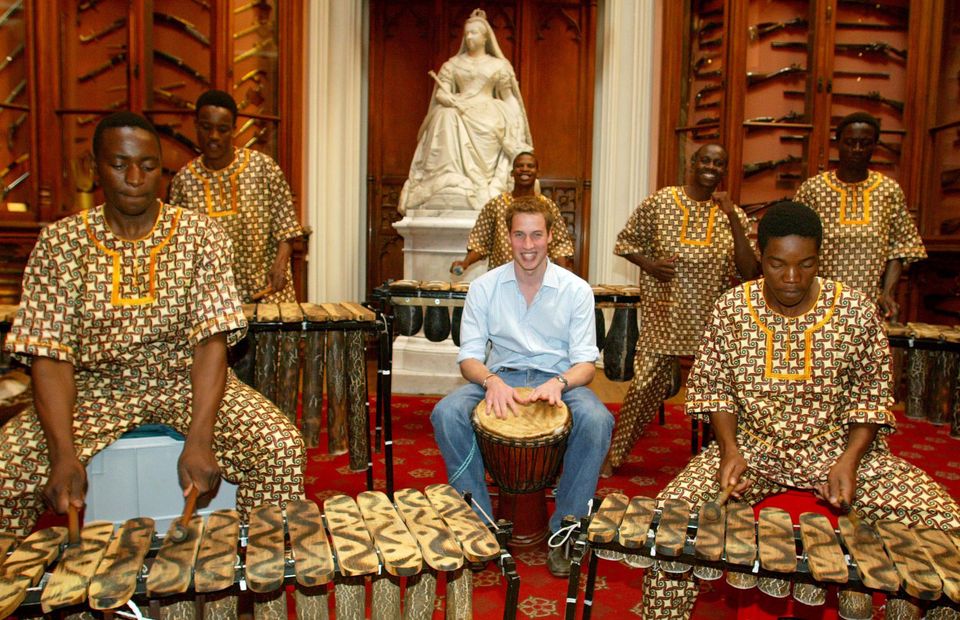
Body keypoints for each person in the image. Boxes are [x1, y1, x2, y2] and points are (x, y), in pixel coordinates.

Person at [640, 201, 959, 618]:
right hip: (752, 451)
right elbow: (716, 391)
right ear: (760, 255)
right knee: (668, 529)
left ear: (819, 257)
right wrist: (730, 451)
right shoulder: (731, 309)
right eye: (776, 264)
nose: (791, 278)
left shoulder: (855, 310)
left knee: (947, 525)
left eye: (805, 264)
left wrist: (849, 459)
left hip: (837, 452)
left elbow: (870, 396)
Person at [0, 112, 305, 540]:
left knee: (280, 448)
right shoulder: (59, 242)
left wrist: (200, 438)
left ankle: (256, 571)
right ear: (95, 168)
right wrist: (62, 453)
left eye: (147, 165)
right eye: (119, 164)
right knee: (5, 469)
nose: (134, 177)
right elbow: (50, 355)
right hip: (92, 390)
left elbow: (211, 342)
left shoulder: (201, 237)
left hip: (185, 383)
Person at [431, 196, 612, 578]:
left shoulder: (575, 289)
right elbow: (469, 358)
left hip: (559, 377)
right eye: (519, 235)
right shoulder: (484, 287)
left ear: (549, 237)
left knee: (597, 420)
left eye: (535, 235)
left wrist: (559, 383)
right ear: (508, 237)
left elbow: (585, 365)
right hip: (504, 375)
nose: (528, 246)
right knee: (446, 412)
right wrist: (491, 380)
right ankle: (479, 526)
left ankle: (567, 528)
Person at [603, 143, 757, 474]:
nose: (711, 167)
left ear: (724, 170)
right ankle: (614, 457)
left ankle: (729, 459)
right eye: (706, 160)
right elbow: (625, 242)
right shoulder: (661, 202)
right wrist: (650, 265)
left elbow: (749, 271)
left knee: (727, 392)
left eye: (719, 163)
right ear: (692, 162)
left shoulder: (733, 215)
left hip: (713, 324)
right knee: (643, 386)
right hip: (665, 316)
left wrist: (731, 215)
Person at [168, 89, 304, 303]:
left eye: (222, 129)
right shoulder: (183, 181)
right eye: (206, 127)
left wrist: (280, 265)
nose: (214, 136)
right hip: (214, 302)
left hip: (267, 293)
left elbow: (286, 227)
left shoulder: (263, 168)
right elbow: (179, 245)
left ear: (233, 129)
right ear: (195, 126)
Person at [398, 8, 533, 213]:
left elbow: (508, 96)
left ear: (485, 36)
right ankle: (449, 179)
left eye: (474, 32)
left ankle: (479, 185)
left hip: (488, 112)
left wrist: (517, 123)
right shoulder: (453, 64)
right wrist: (450, 100)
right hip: (457, 107)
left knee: (489, 127)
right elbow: (441, 93)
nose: (469, 36)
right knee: (444, 116)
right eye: (467, 33)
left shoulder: (498, 65)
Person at [794, 111, 926, 320]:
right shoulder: (813, 189)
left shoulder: (888, 191)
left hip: (870, 304)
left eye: (864, 143)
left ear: (874, 146)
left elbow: (901, 247)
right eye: (850, 142)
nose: (857, 149)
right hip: (819, 303)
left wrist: (888, 293)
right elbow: (794, 246)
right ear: (838, 144)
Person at [450, 152, 574, 274]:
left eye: (530, 166)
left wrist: (563, 277)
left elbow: (559, 245)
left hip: (539, 279)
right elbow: (480, 242)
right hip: (502, 279)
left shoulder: (548, 206)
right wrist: (465, 263)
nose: (525, 169)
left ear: (537, 173)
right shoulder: (496, 204)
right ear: (512, 173)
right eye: (520, 166)